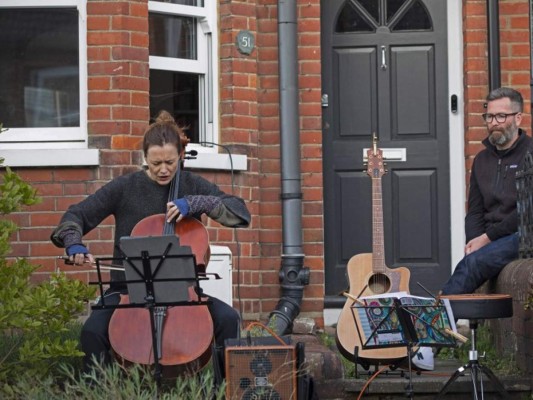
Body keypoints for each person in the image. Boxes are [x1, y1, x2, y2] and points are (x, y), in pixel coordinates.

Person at [51, 110, 251, 374]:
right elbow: (76, 214)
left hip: (183, 295)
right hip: (127, 293)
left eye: (170, 161)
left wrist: (196, 202)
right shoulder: (125, 187)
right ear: (145, 157)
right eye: (156, 163)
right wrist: (73, 242)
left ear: (181, 155)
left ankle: (225, 391)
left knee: (228, 319)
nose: (164, 169)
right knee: (92, 332)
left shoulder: (191, 184)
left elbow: (239, 212)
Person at [441, 87, 533, 295]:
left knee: (470, 266)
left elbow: (526, 212)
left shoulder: (530, 153)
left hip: (523, 236)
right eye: (489, 116)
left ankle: (433, 321)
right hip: (493, 239)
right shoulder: (481, 160)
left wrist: (487, 239)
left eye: (501, 116)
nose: (494, 122)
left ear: (518, 118)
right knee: (472, 261)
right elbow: (474, 211)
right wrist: (475, 241)